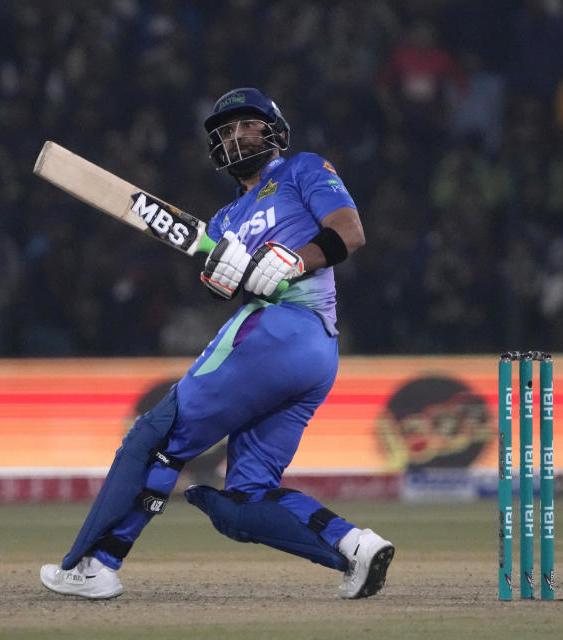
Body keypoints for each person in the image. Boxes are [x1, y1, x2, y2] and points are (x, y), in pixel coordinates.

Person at [40, 88, 394, 600]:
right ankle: (353, 547)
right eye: (225, 132)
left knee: (155, 439)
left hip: (288, 327)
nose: (235, 136)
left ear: (274, 130)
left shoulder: (303, 169)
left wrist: (296, 259)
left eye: (246, 125)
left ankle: (95, 564)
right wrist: (220, 279)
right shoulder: (224, 221)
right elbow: (229, 280)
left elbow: (350, 231)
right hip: (305, 355)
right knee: (246, 501)